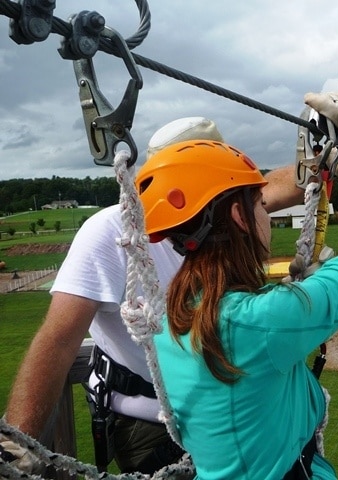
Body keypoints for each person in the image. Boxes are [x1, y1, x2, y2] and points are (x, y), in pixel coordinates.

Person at [0, 117, 304, 474]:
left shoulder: (233, 213)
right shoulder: (111, 232)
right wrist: (16, 446)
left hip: (233, 407)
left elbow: (282, 185)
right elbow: (58, 340)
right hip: (152, 422)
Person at [137, 92, 338, 479]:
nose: (267, 213)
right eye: (260, 203)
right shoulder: (261, 322)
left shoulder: (171, 319)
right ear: (239, 218)